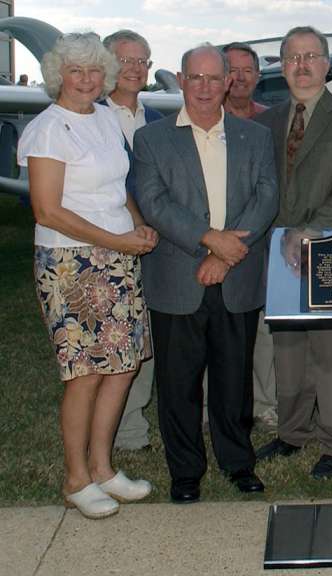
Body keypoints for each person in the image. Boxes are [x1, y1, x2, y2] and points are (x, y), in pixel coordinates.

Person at [17, 32, 157, 519]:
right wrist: (118, 241)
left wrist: (137, 224)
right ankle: (76, 478)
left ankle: (103, 468)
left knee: (122, 365)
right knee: (85, 372)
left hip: (117, 256)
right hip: (71, 263)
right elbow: (47, 210)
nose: (86, 79)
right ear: (59, 75)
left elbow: (120, 187)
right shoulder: (47, 129)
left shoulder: (103, 117)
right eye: (76, 71)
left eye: (95, 70)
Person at [133, 44, 278, 503]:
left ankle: (238, 463)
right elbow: (155, 203)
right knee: (178, 383)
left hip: (236, 278)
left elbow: (266, 198)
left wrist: (227, 254)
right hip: (177, 279)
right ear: (180, 79)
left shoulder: (253, 137)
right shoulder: (152, 140)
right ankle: (186, 472)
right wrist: (209, 240)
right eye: (196, 78)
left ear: (229, 83)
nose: (205, 87)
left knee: (234, 382)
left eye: (215, 79)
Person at [255, 26, 332, 479]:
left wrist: (309, 231)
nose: (301, 67)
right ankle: (292, 432)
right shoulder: (265, 124)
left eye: (311, 57)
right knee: (289, 349)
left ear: (327, 64)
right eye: (292, 58)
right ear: (281, 66)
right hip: (278, 251)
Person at [102, 29, 163, 451]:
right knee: (119, 342)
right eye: (126, 60)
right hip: (109, 247)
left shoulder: (157, 121)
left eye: (143, 61)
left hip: (159, 247)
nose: (136, 69)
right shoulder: (91, 120)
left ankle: (137, 420)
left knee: (150, 339)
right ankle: (126, 431)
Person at [221, 41, 277, 430]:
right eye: (231, 69)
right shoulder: (204, 119)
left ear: (258, 76)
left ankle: (266, 405)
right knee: (218, 328)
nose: (239, 77)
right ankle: (218, 406)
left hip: (265, 238)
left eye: (247, 69)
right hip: (215, 243)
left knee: (264, 330)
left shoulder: (272, 121)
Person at [223, 42, 268, 119]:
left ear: (257, 76)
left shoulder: (270, 116)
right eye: (233, 70)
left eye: (247, 71)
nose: (241, 78)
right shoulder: (212, 118)